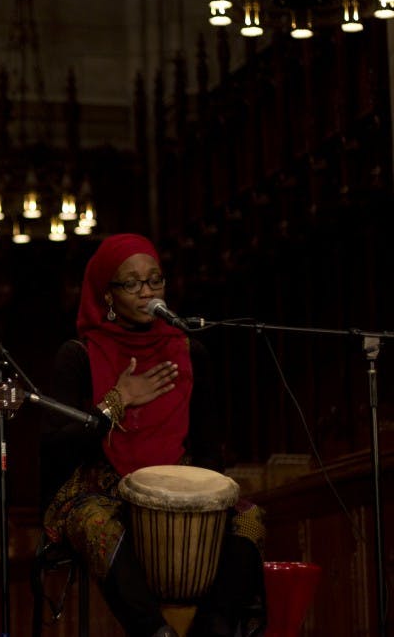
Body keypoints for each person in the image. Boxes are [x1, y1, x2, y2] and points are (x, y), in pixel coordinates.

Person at [39, 233, 265, 637]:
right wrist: (115, 403)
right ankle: (155, 632)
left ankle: (212, 627)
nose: (146, 291)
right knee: (95, 523)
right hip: (100, 489)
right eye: (132, 283)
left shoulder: (190, 353)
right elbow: (55, 448)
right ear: (107, 295)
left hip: (177, 479)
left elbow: (209, 448)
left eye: (155, 281)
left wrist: (208, 497)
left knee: (248, 520)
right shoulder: (77, 355)